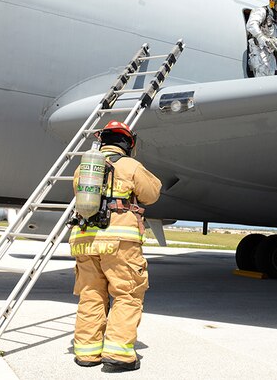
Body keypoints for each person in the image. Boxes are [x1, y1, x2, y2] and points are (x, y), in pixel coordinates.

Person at [69, 120, 162, 371]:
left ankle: (86, 353)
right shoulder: (131, 166)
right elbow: (151, 194)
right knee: (127, 294)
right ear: (127, 143)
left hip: (85, 240)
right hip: (119, 241)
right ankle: (119, 355)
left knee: (91, 295)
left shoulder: (85, 168)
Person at [246, 0, 277, 77]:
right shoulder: (262, 11)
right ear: (273, 4)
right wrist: (260, 36)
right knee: (262, 71)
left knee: (271, 73)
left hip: (270, 51)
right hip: (258, 48)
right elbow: (251, 24)